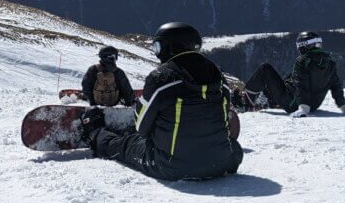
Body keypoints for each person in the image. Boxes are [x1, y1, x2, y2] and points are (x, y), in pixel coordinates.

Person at [80, 22, 242, 181]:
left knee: (125, 145)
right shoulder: (220, 77)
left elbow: (141, 127)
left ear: (169, 47)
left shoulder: (161, 77)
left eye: (157, 47)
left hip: (171, 166)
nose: (157, 53)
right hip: (222, 162)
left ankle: (95, 131)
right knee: (234, 148)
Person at [244, 32, 345, 117]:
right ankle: (269, 99)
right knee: (288, 78)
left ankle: (245, 101)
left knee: (265, 68)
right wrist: (344, 107)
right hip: (313, 105)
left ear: (305, 45)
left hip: (295, 104)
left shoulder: (303, 60)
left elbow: (301, 84)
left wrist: (303, 109)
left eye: (300, 45)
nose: (299, 48)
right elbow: (336, 87)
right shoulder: (330, 62)